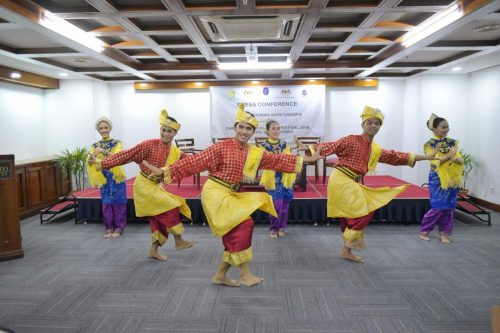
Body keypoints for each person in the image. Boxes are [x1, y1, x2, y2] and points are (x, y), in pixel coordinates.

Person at [144, 104, 321, 287]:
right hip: (215, 193)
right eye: (241, 127)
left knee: (236, 231)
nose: (244, 131)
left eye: (249, 128)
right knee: (243, 225)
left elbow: (277, 160)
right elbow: (195, 162)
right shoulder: (221, 147)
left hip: (231, 193)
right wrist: (165, 171)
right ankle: (245, 274)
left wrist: (307, 159)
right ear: (235, 127)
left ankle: (220, 275)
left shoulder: (253, 152)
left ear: (253, 132)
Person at [301, 106, 437, 263]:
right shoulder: (351, 139)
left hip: (353, 183)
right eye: (370, 122)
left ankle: (346, 250)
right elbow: (331, 145)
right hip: (342, 180)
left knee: (349, 217)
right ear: (362, 124)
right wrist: (308, 148)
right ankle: (348, 246)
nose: (373, 126)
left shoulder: (375, 149)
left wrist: (426, 157)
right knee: (366, 210)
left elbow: (396, 156)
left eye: (377, 123)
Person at [89, 109, 196, 261]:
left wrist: (211, 163)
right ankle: (179, 240)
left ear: (175, 133)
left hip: (156, 186)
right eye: (163, 130)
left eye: (169, 131)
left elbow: (192, 162)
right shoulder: (148, 145)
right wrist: (102, 163)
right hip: (144, 185)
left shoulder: (175, 151)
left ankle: (154, 250)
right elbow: (125, 155)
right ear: (160, 129)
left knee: (158, 219)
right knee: (171, 205)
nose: (165, 134)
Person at [420, 114, 463, 244]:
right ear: (434, 129)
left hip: (452, 178)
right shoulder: (430, 144)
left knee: (449, 207)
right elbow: (435, 162)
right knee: (438, 206)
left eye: (447, 127)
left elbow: (460, 160)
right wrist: (450, 155)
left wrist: (457, 159)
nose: (446, 129)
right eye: (443, 127)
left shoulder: (452, 142)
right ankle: (425, 230)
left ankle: (444, 233)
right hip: (437, 178)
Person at [87, 117, 127, 238]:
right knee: (106, 202)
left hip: (116, 176)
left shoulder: (117, 143)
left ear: (110, 128)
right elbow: (90, 162)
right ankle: (109, 227)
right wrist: (92, 156)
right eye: (101, 128)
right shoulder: (94, 146)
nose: (104, 130)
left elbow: (117, 157)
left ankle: (119, 227)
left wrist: (103, 151)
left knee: (119, 202)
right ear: (98, 130)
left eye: (106, 127)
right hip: (104, 177)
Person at [259, 119, 295, 239]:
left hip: (285, 178)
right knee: (276, 205)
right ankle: (274, 228)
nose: (276, 131)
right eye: (273, 128)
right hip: (273, 179)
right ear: (267, 131)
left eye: (278, 128)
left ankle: (282, 227)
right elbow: (264, 162)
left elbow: (289, 160)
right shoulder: (263, 146)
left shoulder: (284, 145)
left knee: (285, 205)